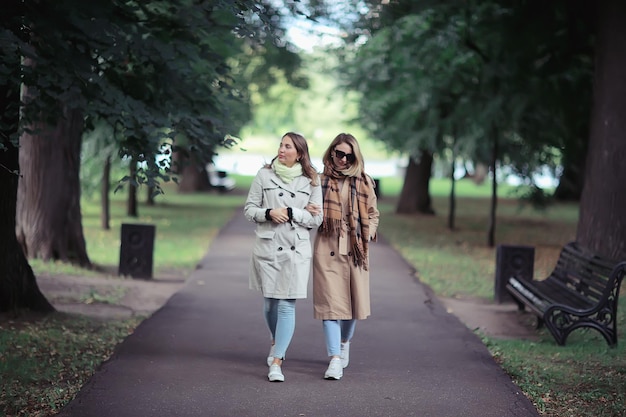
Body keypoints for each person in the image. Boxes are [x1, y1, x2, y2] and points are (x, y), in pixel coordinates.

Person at [244, 132, 323, 382]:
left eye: (287, 146)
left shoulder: (311, 180)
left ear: (299, 153)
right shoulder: (264, 175)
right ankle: (276, 340)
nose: (281, 149)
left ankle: (277, 360)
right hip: (269, 247)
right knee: (270, 303)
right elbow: (249, 210)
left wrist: (294, 213)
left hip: (296, 249)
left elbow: (317, 219)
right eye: (280, 144)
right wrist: (269, 213)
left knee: (287, 305)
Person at [313, 133, 379, 380]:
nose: (342, 159)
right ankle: (334, 359)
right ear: (331, 152)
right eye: (339, 153)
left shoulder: (364, 181)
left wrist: (367, 233)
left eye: (348, 155)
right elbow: (310, 211)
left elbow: (373, 214)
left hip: (355, 250)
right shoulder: (318, 181)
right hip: (326, 249)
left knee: (352, 305)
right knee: (330, 307)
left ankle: (344, 342)